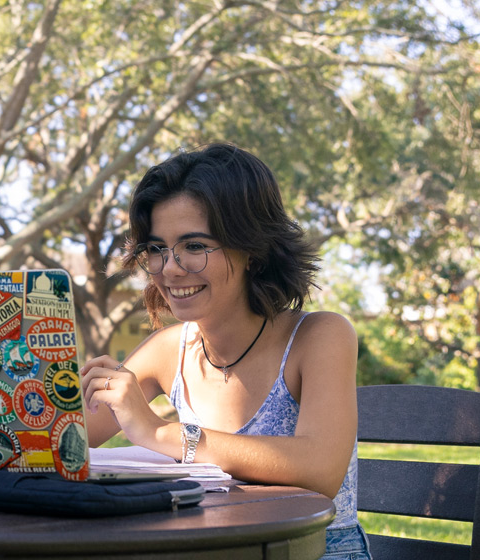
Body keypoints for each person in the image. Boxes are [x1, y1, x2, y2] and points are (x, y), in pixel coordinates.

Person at [81, 143, 368, 559]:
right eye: (158, 249)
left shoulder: (319, 336)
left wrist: (159, 432)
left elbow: (321, 470)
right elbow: (58, 440)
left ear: (251, 248)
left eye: (194, 246)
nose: (170, 268)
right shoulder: (169, 351)